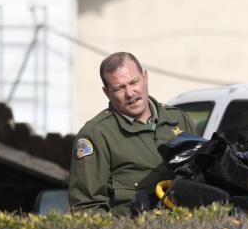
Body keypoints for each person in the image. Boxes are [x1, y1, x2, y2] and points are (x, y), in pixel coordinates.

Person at [69, 52, 195, 215]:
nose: (130, 93)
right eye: (120, 88)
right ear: (107, 92)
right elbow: (86, 209)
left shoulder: (179, 119)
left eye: (134, 82)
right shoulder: (96, 136)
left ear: (145, 77)